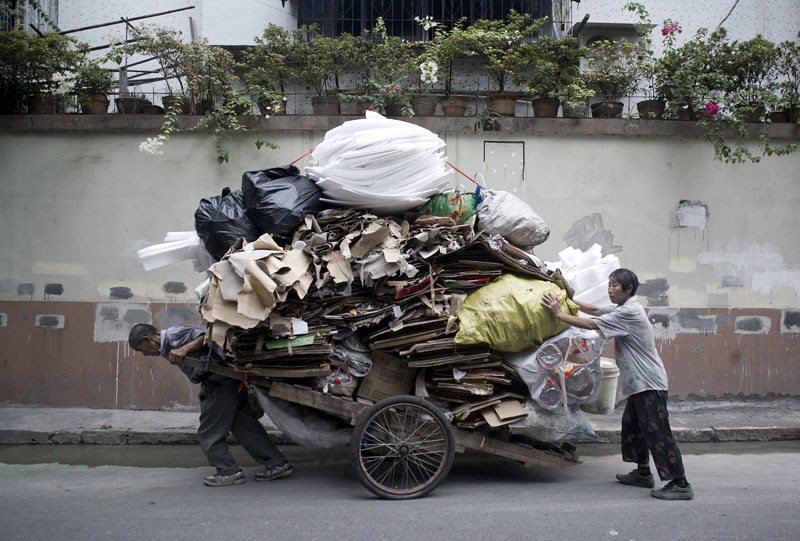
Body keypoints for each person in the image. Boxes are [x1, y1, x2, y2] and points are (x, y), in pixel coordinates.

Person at [541, 268, 693, 501]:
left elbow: (591, 323)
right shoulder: (624, 307)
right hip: (639, 384)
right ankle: (643, 473)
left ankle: (680, 483)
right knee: (633, 426)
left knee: (658, 433)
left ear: (628, 289)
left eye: (615, 286)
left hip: (650, 384)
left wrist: (558, 314)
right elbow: (594, 310)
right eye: (609, 285)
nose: (610, 290)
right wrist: (567, 299)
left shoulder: (629, 312)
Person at [128, 323, 292, 487]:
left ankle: (228, 472)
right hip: (225, 380)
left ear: (147, 339)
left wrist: (184, 349)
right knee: (243, 425)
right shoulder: (167, 345)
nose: (145, 354)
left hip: (218, 381)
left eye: (141, 350)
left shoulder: (173, 335)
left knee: (208, 433)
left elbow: (207, 335)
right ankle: (277, 464)